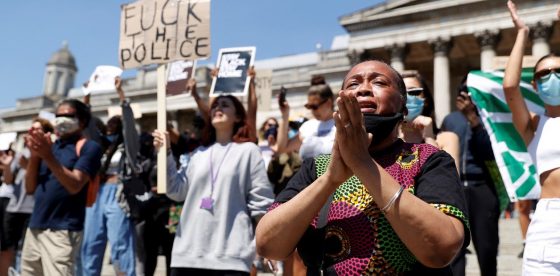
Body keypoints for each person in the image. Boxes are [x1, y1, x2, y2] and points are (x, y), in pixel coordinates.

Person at [256, 60, 469, 275]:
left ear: (403, 107)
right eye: (353, 85)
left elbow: (442, 249)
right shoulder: (316, 168)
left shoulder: (429, 159)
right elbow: (268, 245)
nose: (364, 88)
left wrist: (363, 164)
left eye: (379, 82)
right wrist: (330, 179)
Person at [153, 94, 274, 275]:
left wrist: (268, 245)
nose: (218, 108)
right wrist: (165, 152)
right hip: (187, 254)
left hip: (231, 256)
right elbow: (176, 190)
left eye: (225, 105)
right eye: (215, 106)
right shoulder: (197, 154)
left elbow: (261, 203)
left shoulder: (249, 151)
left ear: (238, 117)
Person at [504, 1, 560, 274]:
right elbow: (510, 86)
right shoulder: (535, 125)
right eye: (544, 74)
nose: (553, 77)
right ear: (535, 84)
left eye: (558, 72)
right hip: (549, 221)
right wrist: (522, 32)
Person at [21, 99, 103, 276]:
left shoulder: (89, 147)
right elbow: (29, 188)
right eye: (58, 115)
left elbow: (75, 184)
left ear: (81, 121)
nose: (61, 119)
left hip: (62, 230)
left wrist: (47, 156)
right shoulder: (50, 146)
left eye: (68, 115)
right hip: (35, 227)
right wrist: (35, 156)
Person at [441, 81, 500, 276]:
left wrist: (474, 121)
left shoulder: (487, 120)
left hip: (481, 185)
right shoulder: (450, 120)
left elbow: (491, 153)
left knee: (487, 247)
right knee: (454, 249)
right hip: (455, 188)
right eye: (463, 93)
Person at [80, 77, 137, 276]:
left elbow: (129, 123)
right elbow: (85, 124)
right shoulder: (100, 145)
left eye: (115, 123)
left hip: (117, 194)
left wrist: (121, 94)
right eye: (109, 124)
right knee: (90, 245)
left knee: (120, 244)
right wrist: (87, 96)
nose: (111, 126)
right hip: (96, 194)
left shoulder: (127, 146)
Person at [0, 119, 53, 276]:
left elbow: (40, 182)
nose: (32, 132)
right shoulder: (21, 154)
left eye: (37, 129)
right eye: (31, 129)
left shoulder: (49, 154)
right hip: (14, 207)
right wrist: (8, 164)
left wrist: (28, 165)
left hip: (34, 209)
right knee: (7, 249)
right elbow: (9, 180)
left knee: (29, 251)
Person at [400, 71, 460, 169]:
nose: (407, 98)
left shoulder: (446, 139)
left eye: (414, 91)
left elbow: (448, 180)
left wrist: (429, 138)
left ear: (426, 99)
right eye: (401, 93)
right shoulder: (386, 140)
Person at [276, 81, 336, 160]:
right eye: (309, 106)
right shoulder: (307, 126)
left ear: (328, 103)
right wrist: (285, 115)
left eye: (314, 106)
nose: (312, 111)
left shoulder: (342, 124)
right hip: (308, 171)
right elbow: (282, 149)